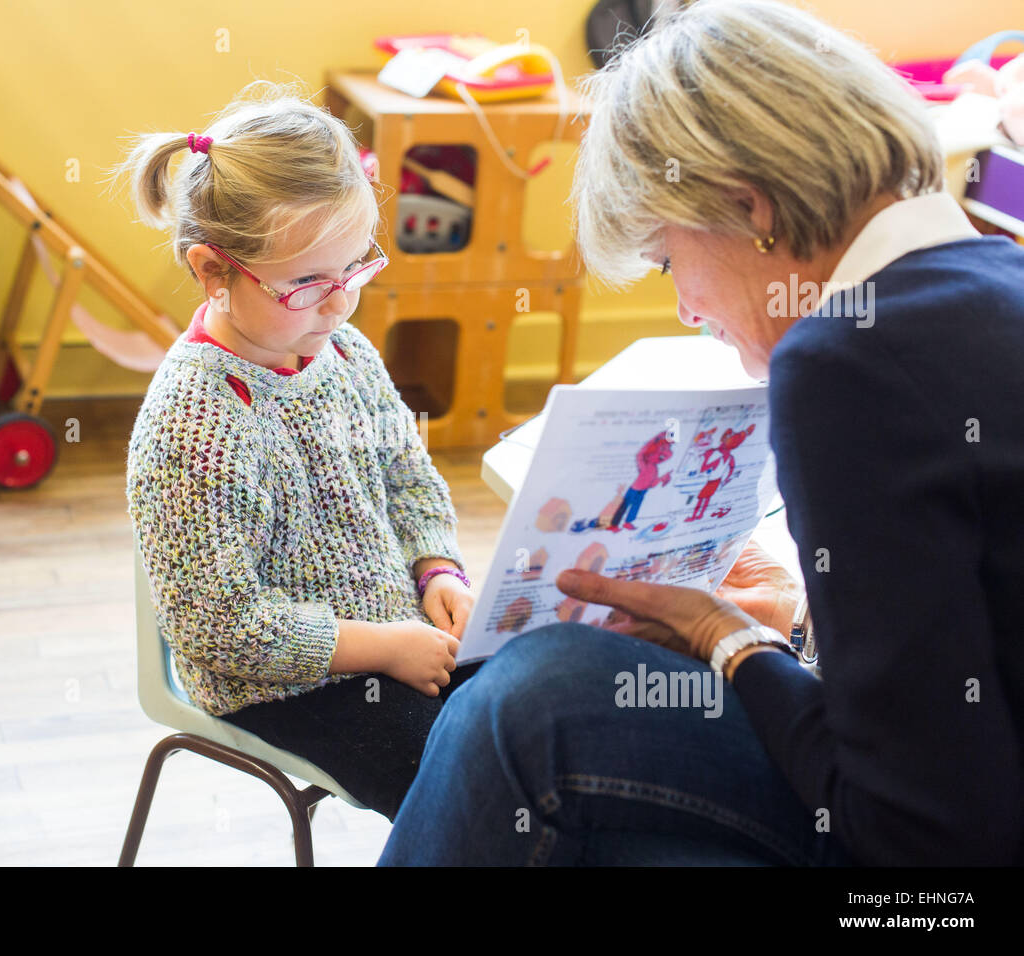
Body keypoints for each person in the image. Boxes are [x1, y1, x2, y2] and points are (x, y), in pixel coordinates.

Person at [380, 0, 1024, 865]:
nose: (685, 308)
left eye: (667, 258)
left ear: (747, 206)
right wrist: (800, 624)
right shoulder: (994, 275)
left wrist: (729, 640)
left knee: (528, 701)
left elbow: (912, 833)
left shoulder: (848, 362)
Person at [115, 83, 478, 820]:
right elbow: (218, 626)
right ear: (213, 271)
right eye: (308, 282)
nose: (341, 302)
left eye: (355, 268)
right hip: (282, 685)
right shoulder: (194, 423)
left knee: (540, 715)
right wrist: (381, 650)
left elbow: (409, 481)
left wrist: (436, 567)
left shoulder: (342, 351)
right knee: (465, 787)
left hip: (398, 635)